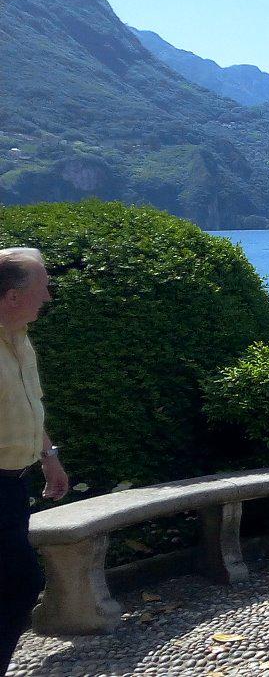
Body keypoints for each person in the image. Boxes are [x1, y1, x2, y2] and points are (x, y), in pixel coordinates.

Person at [0, 248, 67, 675]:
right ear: (12, 296)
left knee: (17, 584)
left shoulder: (18, 337)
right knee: (19, 583)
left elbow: (30, 406)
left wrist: (49, 457)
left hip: (12, 485)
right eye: (42, 288)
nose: (48, 297)